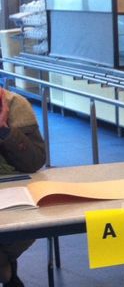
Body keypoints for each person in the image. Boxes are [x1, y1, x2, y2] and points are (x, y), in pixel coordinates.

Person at [0, 88, 46, 287]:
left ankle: (6, 272)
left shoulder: (15, 105)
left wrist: (4, 130)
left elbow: (34, 161)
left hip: (17, 199)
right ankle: (8, 276)